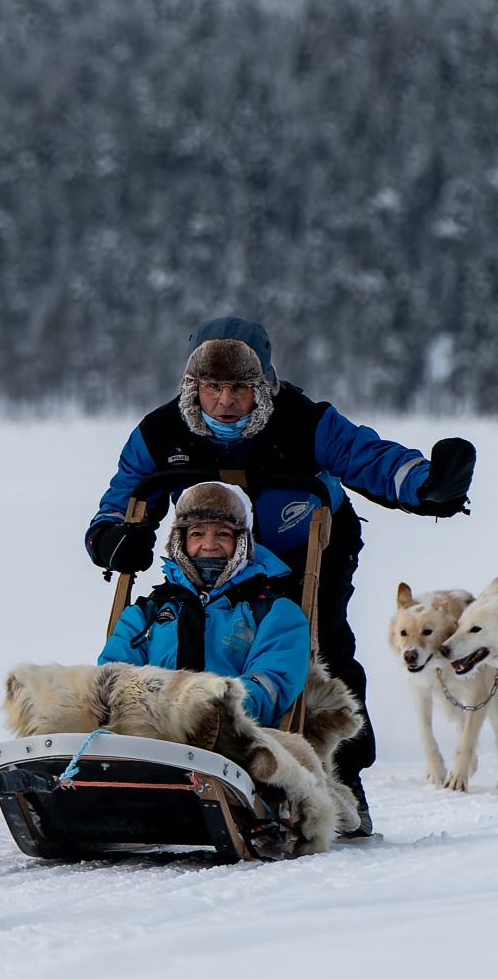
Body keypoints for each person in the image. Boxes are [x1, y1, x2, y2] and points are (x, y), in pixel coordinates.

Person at [88, 315, 472, 831]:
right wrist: (112, 536)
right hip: (211, 555)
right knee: (185, 636)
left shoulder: (303, 420)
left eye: (240, 388)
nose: (224, 401)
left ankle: (342, 779)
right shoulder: (161, 433)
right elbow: (124, 495)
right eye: (212, 387)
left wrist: (428, 484)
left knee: (322, 650)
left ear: (263, 384)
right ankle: (179, 748)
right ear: (192, 386)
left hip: (307, 548)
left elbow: (368, 457)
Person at [100, 482, 311, 725]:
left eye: (223, 533)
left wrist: (214, 709)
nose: (209, 545)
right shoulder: (144, 614)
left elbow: (271, 683)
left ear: (242, 543)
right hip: (151, 736)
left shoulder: (275, 613)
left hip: (234, 739)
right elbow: (113, 678)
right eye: (197, 534)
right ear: (181, 542)